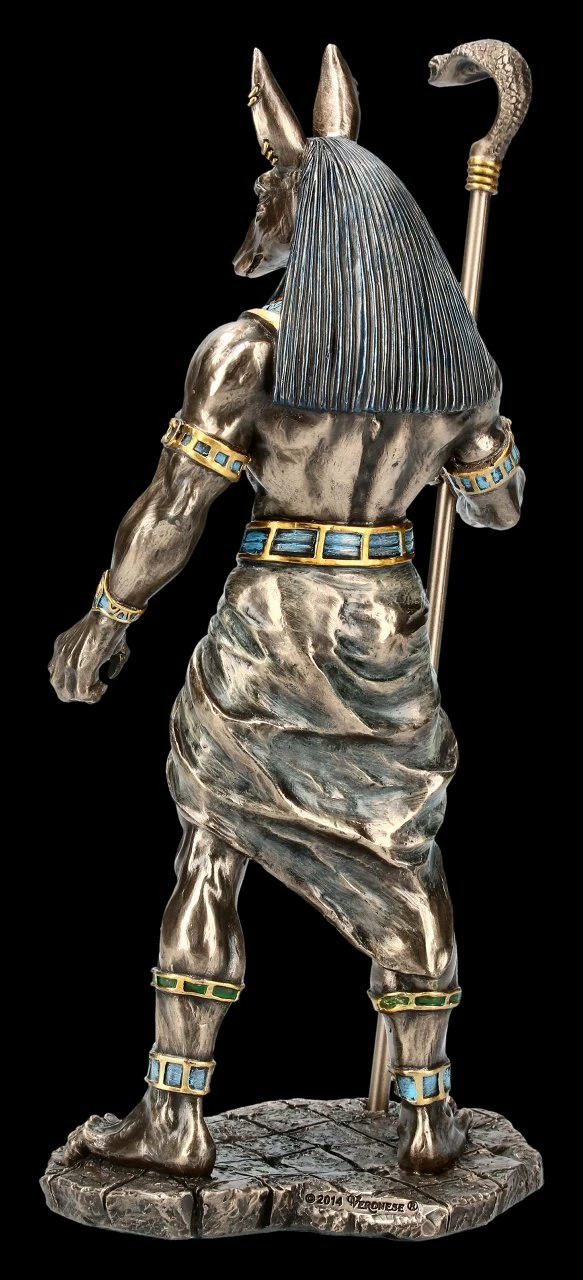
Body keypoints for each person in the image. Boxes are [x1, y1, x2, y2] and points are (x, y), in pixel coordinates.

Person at [49, 46, 524, 1175]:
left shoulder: (247, 354)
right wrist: (482, 431)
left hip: (272, 623)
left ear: (310, 206)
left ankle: (174, 1116)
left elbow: (176, 506)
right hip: (383, 626)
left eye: (270, 186)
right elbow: (497, 510)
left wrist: (108, 614)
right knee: (404, 853)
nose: (258, 205)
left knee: (213, 845)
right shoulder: (453, 364)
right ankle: (428, 1117)